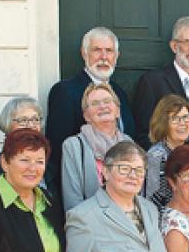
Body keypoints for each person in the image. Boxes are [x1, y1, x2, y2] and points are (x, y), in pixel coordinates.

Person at [131, 16, 189, 157]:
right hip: (167, 170)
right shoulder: (151, 82)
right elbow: (143, 133)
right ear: (174, 46)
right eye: (187, 42)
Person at [46, 26, 135, 168]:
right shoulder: (64, 92)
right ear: (84, 53)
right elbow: (57, 150)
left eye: (109, 51)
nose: (104, 57)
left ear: (116, 56)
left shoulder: (120, 93)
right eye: (97, 50)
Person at [61, 84, 135, 211]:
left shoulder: (128, 143)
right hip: (92, 224)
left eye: (107, 101)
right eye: (95, 103)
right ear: (86, 116)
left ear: (117, 111)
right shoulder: (74, 146)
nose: (102, 106)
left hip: (127, 222)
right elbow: (72, 200)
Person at [0, 97, 59, 198]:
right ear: (8, 125)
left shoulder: (49, 167)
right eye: (23, 120)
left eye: (35, 119)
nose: (31, 125)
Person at [143, 95, 189, 211]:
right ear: (163, 123)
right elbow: (153, 203)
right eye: (175, 119)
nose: (183, 123)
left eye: (186, 117)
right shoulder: (156, 156)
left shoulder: (188, 153)